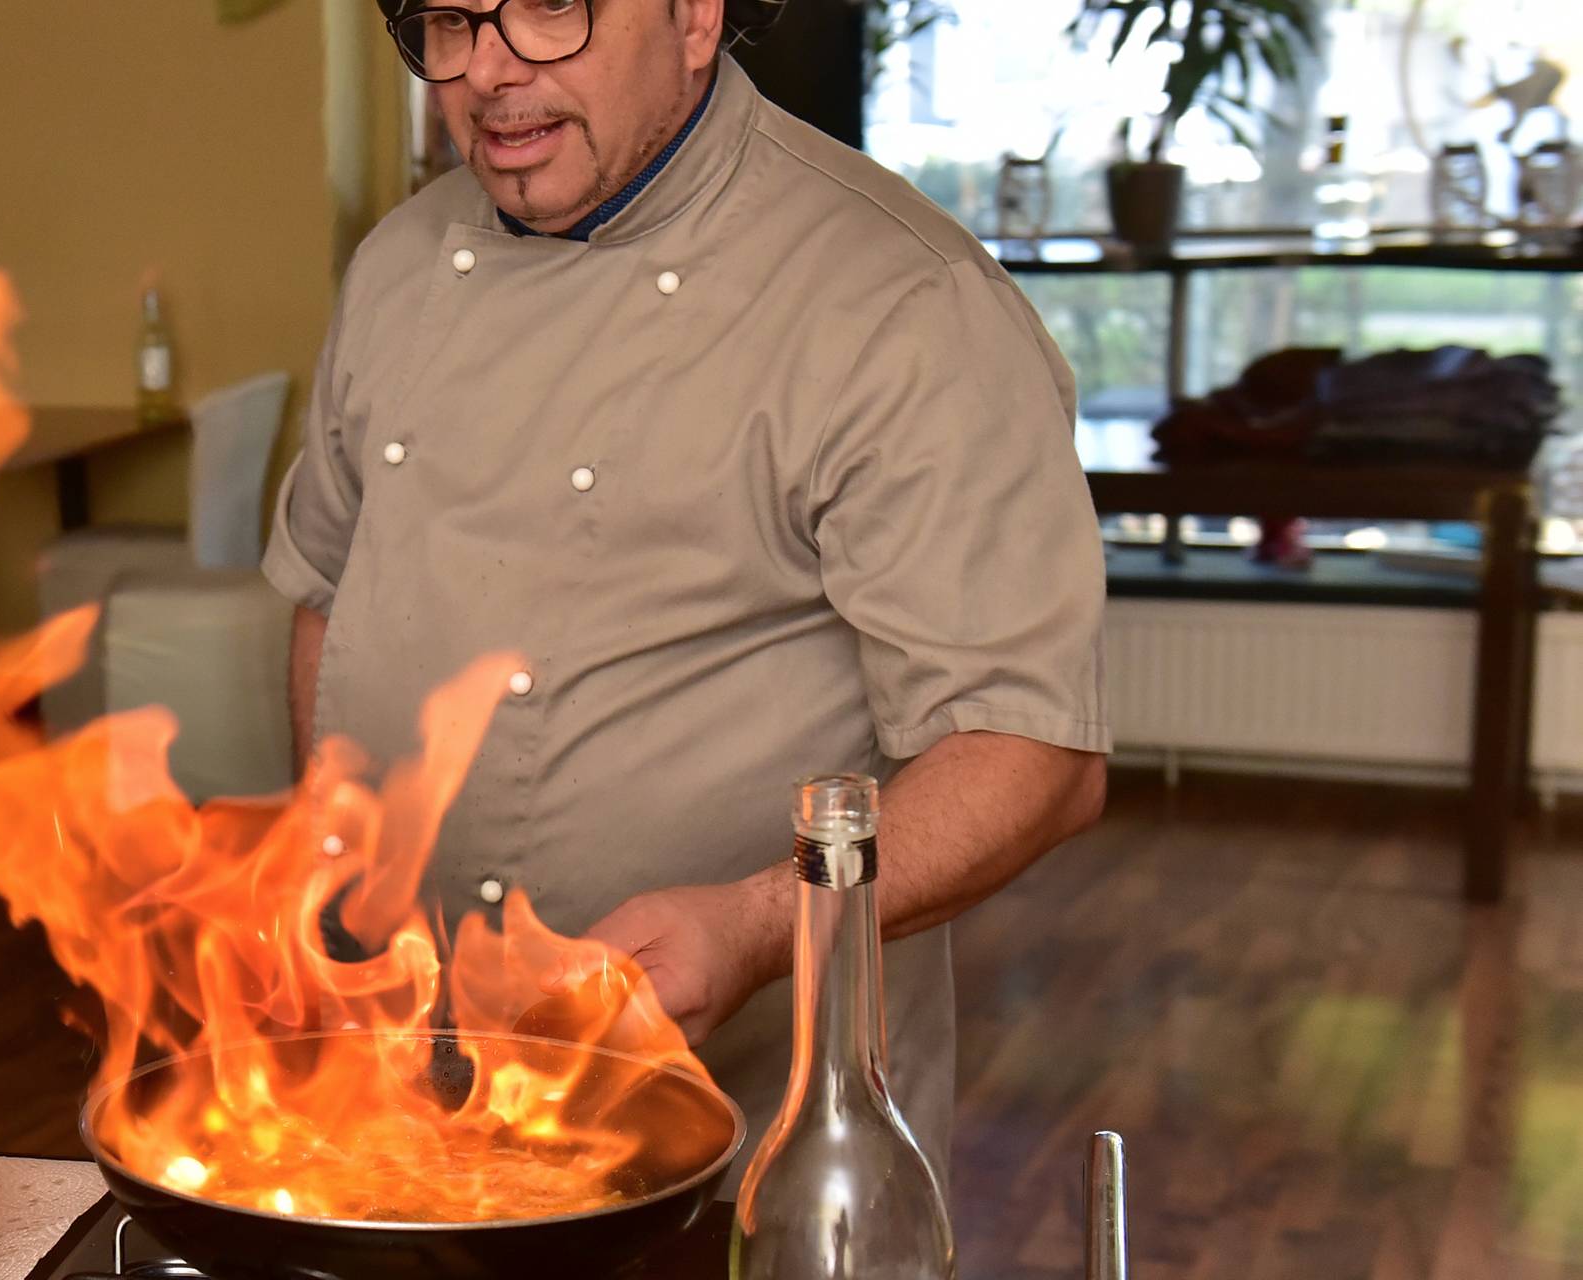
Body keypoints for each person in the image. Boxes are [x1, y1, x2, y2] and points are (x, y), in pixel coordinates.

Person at [262, 0, 1111, 1171]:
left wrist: (758, 926)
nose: (490, 70)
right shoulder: (400, 266)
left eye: (550, 10)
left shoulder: (903, 302)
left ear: (697, 16)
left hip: (751, 1148)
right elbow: (326, 592)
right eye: (451, 23)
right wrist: (340, 862)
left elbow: (1032, 754)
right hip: (410, 1099)